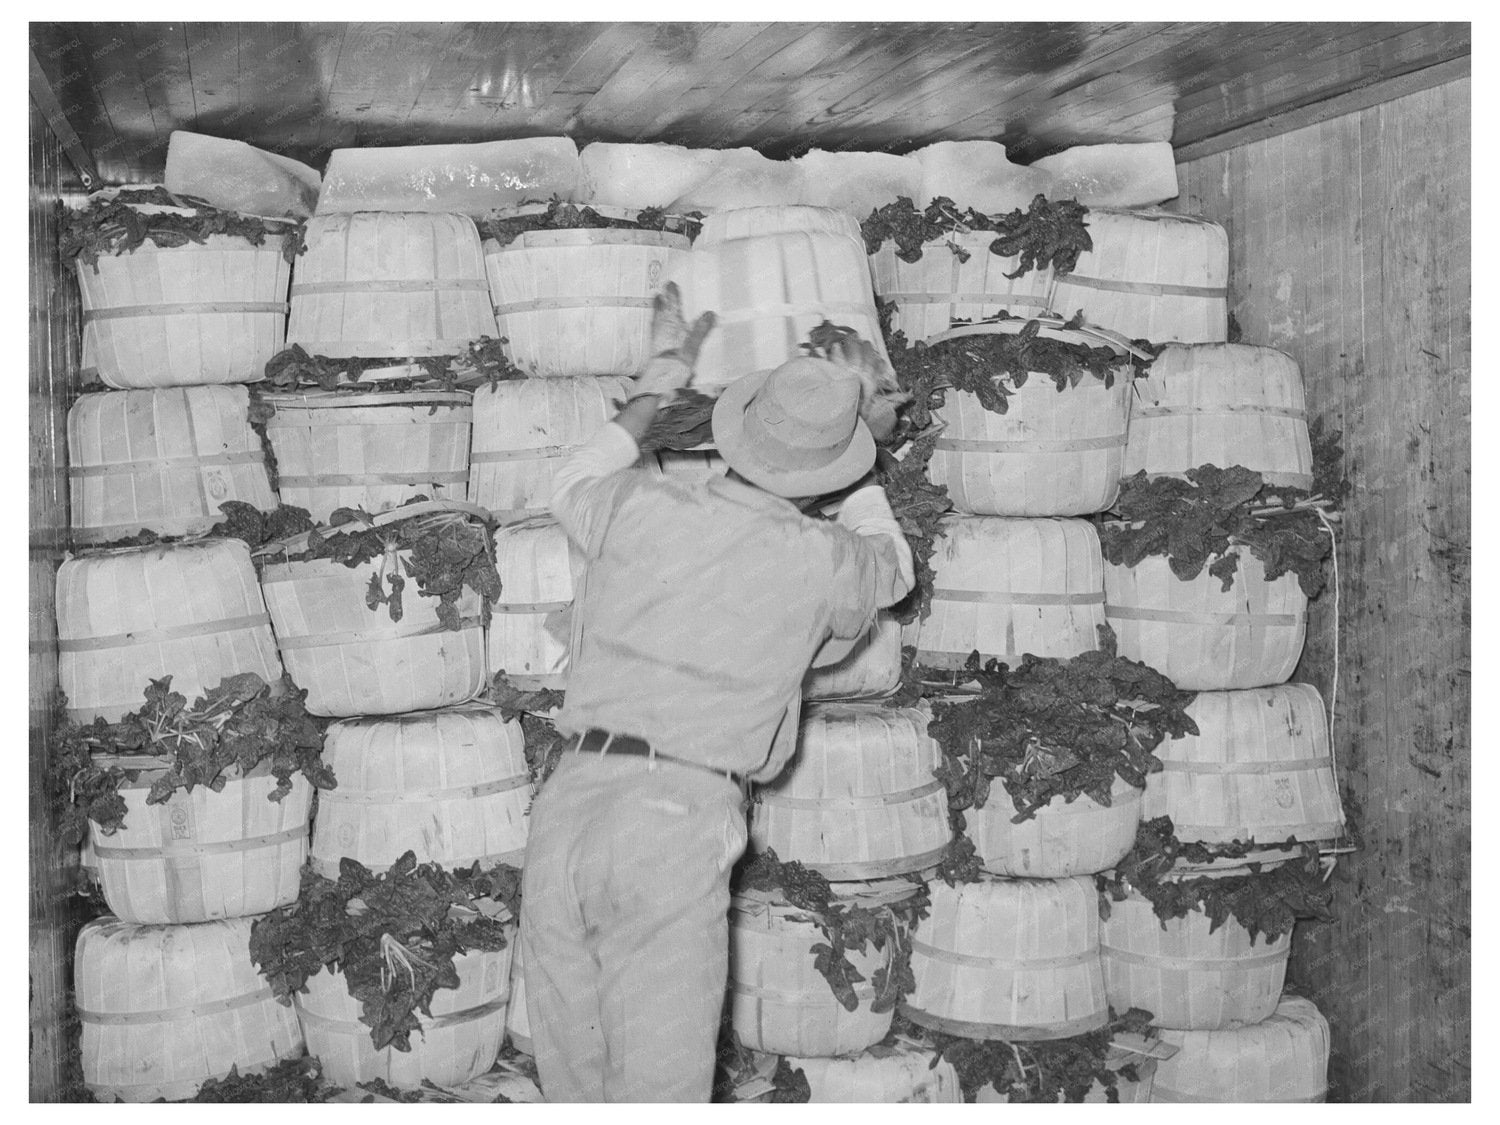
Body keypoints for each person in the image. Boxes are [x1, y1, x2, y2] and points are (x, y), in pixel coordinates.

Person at [518, 284, 914, 1102]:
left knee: (573, 1085)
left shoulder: (637, 504)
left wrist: (657, 382)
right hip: (673, 822)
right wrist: (864, 454)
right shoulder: (822, 559)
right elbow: (893, 569)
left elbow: (572, 477)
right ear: (827, 471)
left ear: (737, 434)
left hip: (566, 807)